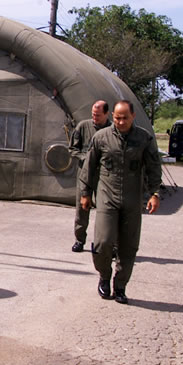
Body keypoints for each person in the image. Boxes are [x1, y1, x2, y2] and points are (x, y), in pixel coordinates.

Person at [79, 100, 162, 304]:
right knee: (103, 241)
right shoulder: (101, 137)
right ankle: (104, 276)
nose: (121, 122)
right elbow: (89, 167)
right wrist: (85, 193)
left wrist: (155, 193)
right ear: (112, 117)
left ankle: (120, 286)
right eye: (117, 118)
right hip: (107, 196)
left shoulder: (144, 138)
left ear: (133, 116)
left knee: (129, 245)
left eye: (125, 118)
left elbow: (153, 167)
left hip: (132, 198)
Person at [68, 100, 110, 252]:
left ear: (106, 114)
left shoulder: (112, 130)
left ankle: (103, 243)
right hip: (85, 175)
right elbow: (72, 149)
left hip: (104, 177)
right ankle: (79, 240)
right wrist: (85, 158)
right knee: (82, 209)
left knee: (105, 211)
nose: (94, 118)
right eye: (93, 114)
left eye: (98, 115)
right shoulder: (83, 127)